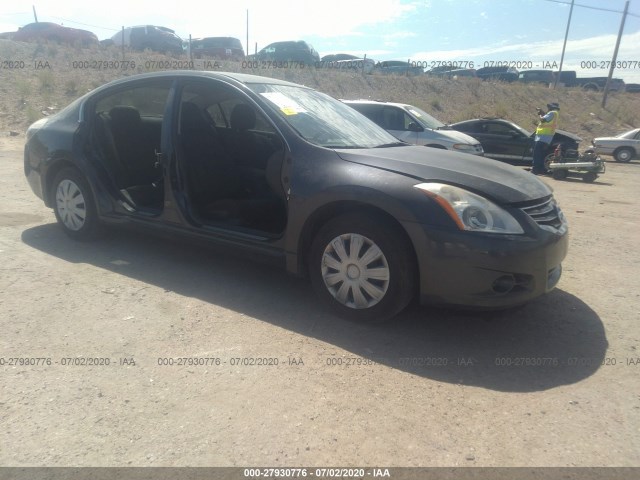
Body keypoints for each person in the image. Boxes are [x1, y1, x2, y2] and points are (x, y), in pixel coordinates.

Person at [532, 102, 560, 175]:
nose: (548, 108)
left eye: (549, 107)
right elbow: (546, 120)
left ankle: (535, 170)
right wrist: (542, 113)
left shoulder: (552, 113)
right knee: (541, 155)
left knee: (537, 154)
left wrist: (540, 114)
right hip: (546, 138)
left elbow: (543, 120)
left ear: (551, 107)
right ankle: (541, 170)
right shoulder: (555, 113)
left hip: (542, 137)